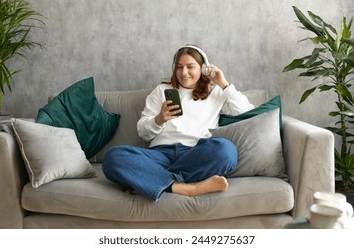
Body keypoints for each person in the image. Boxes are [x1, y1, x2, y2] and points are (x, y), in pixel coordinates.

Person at [102, 45, 254, 201]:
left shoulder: (216, 93)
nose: (184, 73)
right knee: (114, 156)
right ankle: (187, 188)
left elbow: (247, 113)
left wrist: (223, 83)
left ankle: (149, 180)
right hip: (159, 155)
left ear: (203, 69)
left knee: (226, 150)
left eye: (190, 67)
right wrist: (159, 119)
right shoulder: (161, 90)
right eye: (179, 67)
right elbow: (143, 133)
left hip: (195, 154)